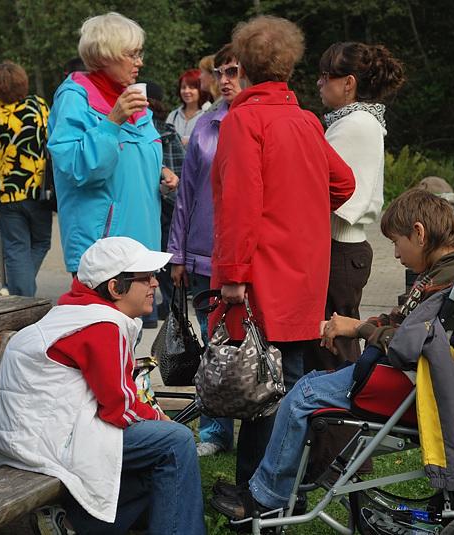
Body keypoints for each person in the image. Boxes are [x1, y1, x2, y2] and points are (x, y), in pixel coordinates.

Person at [211, 188, 454, 520]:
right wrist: (353, 326)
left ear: (419, 233)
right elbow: (405, 323)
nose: (395, 254)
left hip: (407, 386)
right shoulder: (453, 270)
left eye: (396, 242)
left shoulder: (450, 278)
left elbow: (410, 345)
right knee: (309, 386)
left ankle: (266, 498)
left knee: (301, 395)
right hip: (409, 380)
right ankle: (273, 486)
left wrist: (359, 329)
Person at [210, 16, 355, 490]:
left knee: (262, 388)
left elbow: (239, 205)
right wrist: (302, 210)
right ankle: (279, 488)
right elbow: (344, 183)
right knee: (287, 382)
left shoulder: (244, 121)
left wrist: (233, 274)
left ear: (244, 65)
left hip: (263, 273)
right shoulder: (306, 120)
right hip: (304, 274)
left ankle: (258, 492)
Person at [0, 236, 206, 535]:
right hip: (48, 443)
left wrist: (154, 420)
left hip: (32, 437)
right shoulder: (103, 325)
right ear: (115, 288)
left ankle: (71, 526)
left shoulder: (76, 311)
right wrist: (160, 418)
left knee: (157, 453)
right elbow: (119, 408)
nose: (156, 283)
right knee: (175, 441)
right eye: (145, 278)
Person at [47, 12, 176, 277]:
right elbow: (76, 168)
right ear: (105, 55)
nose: (140, 62)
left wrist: (160, 172)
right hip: (102, 253)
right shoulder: (75, 98)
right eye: (132, 54)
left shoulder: (132, 100)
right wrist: (112, 122)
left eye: (140, 53)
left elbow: (129, 158)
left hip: (142, 249)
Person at [308, 42, 406, 369]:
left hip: (340, 248)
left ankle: (340, 401)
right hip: (345, 248)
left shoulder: (355, 124)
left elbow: (323, 187)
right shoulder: (355, 121)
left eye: (326, 76)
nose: (320, 83)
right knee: (334, 343)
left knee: (333, 347)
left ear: (348, 82)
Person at [167, 44, 241, 458]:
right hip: (201, 253)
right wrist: (177, 253)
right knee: (211, 344)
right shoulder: (206, 125)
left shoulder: (260, 121)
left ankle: (258, 419)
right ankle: (215, 430)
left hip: (247, 256)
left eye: (234, 71)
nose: (225, 80)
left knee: (250, 343)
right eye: (220, 72)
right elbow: (186, 195)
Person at [0, 61, 51, 297]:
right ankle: (20, 293)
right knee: (41, 242)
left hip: (5, 191)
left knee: (16, 248)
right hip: (38, 189)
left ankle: (19, 292)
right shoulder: (38, 106)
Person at [146, 81, 184, 322]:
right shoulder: (169, 130)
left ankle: (151, 312)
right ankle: (172, 309)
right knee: (167, 259)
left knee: (148, 256)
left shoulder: (138, 129)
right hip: (170, 203)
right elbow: (183, 166)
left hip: (149, 203)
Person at [166, 69, 210, 146]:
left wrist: (190, 140)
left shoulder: (210, 113)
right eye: (183, 87)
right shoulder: (173, 116)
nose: (186, 91)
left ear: (201, 88)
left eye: (191, 87)